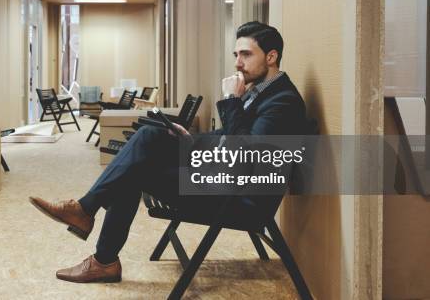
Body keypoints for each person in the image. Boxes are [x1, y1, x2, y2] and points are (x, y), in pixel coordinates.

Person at [29, 21, 308, 283]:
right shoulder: (262, 91)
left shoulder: (281, 102)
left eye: (246, 54)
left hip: (239, 198)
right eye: (236, 54)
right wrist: (191, 140)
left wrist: (232, 101)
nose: (237, 63)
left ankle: (97, 244)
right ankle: (88, 220)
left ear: (271, 57)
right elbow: (229, 138)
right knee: (150, 136)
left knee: (132, 171)